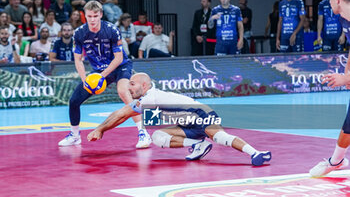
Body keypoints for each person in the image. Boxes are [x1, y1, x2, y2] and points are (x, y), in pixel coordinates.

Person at [87, 72, 272, 165]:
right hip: (186, 123)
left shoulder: (149, 98)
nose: (129, 89)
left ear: (144, 85)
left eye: (132, 84)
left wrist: (101, 129)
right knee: (158, 137)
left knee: (220, 137)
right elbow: (121, 113)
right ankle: (198, 145)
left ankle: (255, 153)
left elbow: (122, 114)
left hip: (201, 114)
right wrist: (101, 128)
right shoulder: (146, 98)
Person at [58, 0, 151, 148]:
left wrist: (101, 76)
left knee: (123, 91)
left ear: (101, 14)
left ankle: (143, 133)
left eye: (95, 16)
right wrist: (85, 80)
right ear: (85, 16)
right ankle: (75, 135)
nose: (93, 19)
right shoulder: (79, 33)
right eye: (89, 16)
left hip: (120, 66)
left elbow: (119, 57)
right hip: (98, 71)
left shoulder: (112, 30)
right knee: (74, 100)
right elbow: (78, 60)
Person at [309, 0, 350, 177]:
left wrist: (344, 79)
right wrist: (347, 75)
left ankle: (336, 161)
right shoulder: (344, 19)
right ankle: (336, 161)